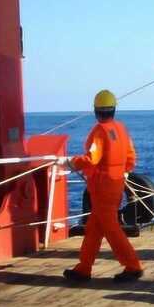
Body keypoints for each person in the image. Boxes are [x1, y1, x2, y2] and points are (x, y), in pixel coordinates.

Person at [62, 89, 143, 283]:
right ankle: (83, 269)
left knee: (111, 228)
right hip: (116, 184)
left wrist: (71, 162)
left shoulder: (99, 131)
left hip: (102, 187)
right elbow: (131, 156)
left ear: (96, 110)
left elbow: (92, 159)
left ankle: (133, 266)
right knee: (94, 228)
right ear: (114, 109)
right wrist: (123, 171)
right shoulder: (121, 128)